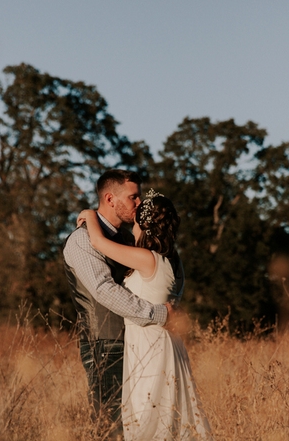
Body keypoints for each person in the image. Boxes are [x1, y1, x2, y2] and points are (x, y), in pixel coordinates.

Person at [77, 189, 213, 441]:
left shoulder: (146, 258)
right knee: (169, 413)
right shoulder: (173, 260)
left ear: (142, 223)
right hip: (167, 342)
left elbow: (98, 242)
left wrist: (91, 215)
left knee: (146, 416)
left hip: (149, 344)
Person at [63, 170, 173, 438]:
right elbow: (104, 290)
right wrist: (158, 314)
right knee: (112, 427)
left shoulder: (127, 240)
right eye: (133, 197)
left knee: (142, 424)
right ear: (110, 199)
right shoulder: (81, 240)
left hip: (140, 343)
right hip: (105, 344)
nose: (140, 203)